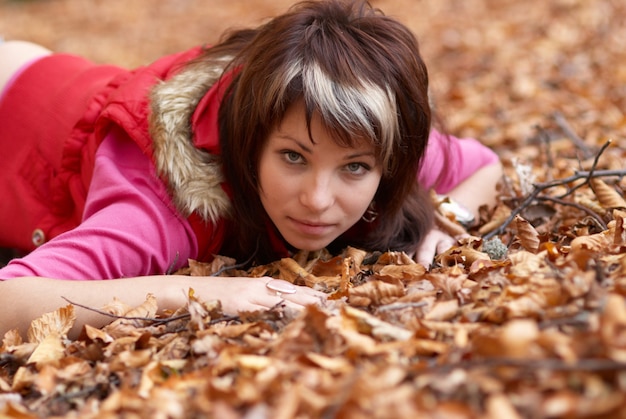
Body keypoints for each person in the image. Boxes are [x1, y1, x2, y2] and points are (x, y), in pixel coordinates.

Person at [0, 0, 501, 337]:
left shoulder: (354, 129)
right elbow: (11, 300)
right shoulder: (167, 203)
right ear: (248, 143)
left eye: (352, 169)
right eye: (292, 158)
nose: (317, 199)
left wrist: (445, 216)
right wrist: (211, 291)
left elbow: (485, 165)